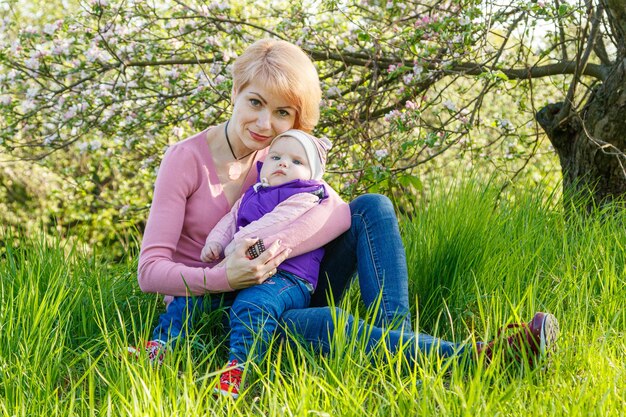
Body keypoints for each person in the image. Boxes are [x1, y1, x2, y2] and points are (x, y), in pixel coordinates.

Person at [134, 38, 559, 398]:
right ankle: (481, 359)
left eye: (282, 113)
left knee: (372, 206)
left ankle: (398, 340)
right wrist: (229, 275)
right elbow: (149, 272)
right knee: (331, 324)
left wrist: (272, 251)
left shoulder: (279, 155)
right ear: (235, 92)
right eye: (256, 103)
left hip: (290, 284)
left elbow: (336, 212)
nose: (265, 123)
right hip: (227, 309)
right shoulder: (186, 160)